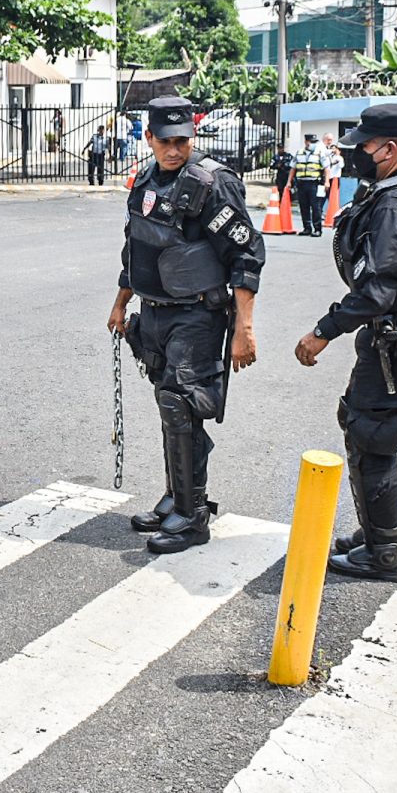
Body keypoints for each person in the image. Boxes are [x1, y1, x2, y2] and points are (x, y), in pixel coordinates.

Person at [293, 102, 397, 583]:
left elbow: (377, 289)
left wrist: (322, 332)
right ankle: (382, 531)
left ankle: (385, 552)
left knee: (371, 438)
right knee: (365, 426)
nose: (353, 154)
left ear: (387, 149)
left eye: (361, 146)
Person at [107, 95, 263, 554]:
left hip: (197, 314)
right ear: (149, 138)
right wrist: (121, 303)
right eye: (165, 141)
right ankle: (176, 495)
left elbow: (246, 255)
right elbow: (135, 249)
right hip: (155, 310)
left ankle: (193, 516)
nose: (174, 149)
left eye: (182, 141)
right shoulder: (145, 179)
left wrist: (244, 329)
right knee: (168, 404)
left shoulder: (211, 182)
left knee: (182, 405)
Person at [291, 134, 327, 236]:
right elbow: (293, 168)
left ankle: (317, 229)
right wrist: (289, 182)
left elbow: (326, 168)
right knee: (304, 206)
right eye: (311, 142)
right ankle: (307, 228)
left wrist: (327, 182)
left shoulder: (319, 153)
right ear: (306, 142)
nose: (313, 144)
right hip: (301, 183)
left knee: (316, 207)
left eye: (315, 142)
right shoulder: (299, 153)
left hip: (314, 183)